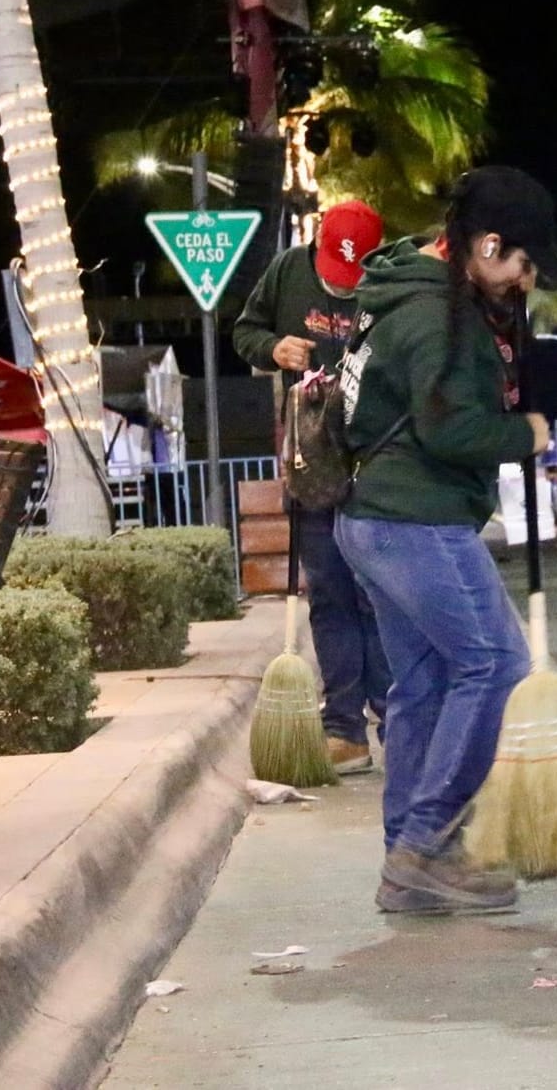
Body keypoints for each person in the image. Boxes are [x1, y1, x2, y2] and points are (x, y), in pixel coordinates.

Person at [331, 166, 557, 914]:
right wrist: (524, 433)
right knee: (496, 665)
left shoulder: (415, 290)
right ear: (487, 244)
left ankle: (409, 858)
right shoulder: (437, 316)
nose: (525, 282)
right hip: (414, 517)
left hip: (370, 516)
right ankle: (428, 843)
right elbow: (448, 427)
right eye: (523, 265)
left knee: (425, 687)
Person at [233, 198, 391, 775]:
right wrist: (273, 348)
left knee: (381, 594)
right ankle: (344, 728)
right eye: (334, 274)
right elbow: (245, 331)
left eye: (353, 278)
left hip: (376, 461)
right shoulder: (288, 272)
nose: (341, 286)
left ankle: (396, 718)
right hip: (312, 460)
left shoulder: (393, 284)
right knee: (330, 594)